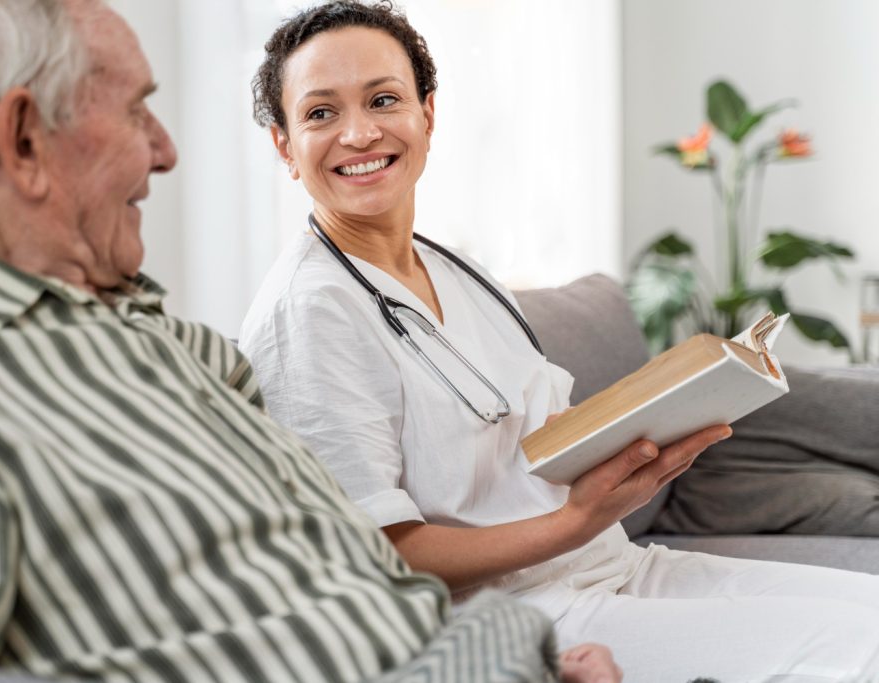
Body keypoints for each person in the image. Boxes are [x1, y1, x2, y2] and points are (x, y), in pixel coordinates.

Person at [0, 0, 625, 681]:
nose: (165, 150)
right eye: (135, 111)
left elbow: (347, 574)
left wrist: (526, 659)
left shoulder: (184, 350)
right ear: (24, 141)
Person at [238, 1, 879, 680]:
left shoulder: (459, 271)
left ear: (428, 113)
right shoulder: (309, 313)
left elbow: (534, 436)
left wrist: (659, 419)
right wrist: (570, 524)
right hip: (513, 613)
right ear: (284, 145)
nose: (360, 132)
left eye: (384, 99)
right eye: (320, 113)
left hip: (613, 566)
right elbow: (373, 552)